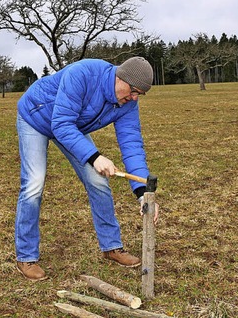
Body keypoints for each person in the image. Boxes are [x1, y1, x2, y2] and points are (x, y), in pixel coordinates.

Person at [15, 56, 160, 281]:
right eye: (132, 91)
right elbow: (60, 124)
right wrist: (95, 157)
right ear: (120, 78)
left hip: (70, 126)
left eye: (139, 95)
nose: (133, 98)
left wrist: (143, 195)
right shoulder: (83, 73)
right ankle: (26, 256)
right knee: (34, 184)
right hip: (36, 117)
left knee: (98, 180)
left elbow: (132, 146)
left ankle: (111, 247)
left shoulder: (128, 103)